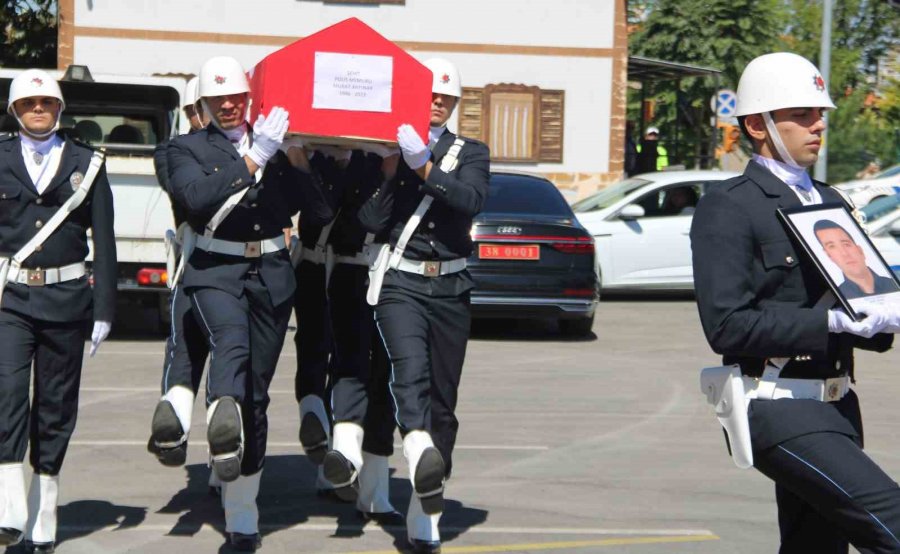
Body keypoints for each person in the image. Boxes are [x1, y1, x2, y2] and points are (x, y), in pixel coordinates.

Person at [691, 52, 900, 553]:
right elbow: (729, 326)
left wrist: (881, 313)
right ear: (757, 125)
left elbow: (864, 310)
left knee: (816, 548)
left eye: (820, 113)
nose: (817, 124)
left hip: (839, 404)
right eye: (801, 114)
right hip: (777, 404)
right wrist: (834, 323)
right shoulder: (730, 205)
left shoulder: (830, 201)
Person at [166, 56, 332, 551]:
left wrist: (297, 157)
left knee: (256, 395)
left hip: (272, 277)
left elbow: (321, 211)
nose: (231, 106)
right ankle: (224, 435)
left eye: (237, 97)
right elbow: (194, 199)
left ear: (250, 97)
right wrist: (253, 159)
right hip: (216, 270)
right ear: (207, 104)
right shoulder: (186, 148)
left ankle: (243, 509)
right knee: (231, 357)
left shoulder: (278, 143)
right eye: (220, 100)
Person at [357, 57, 489, 553]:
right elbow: (369, 219)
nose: (438, 105)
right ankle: (414, 442)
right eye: (432, 96)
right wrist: (393, 170)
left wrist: (424, 166)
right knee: (406, 371)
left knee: (444, 402)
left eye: (446, 99)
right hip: (400, 281)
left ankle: (425, 501)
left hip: (451, 287)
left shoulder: (471, 152)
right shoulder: (391, 146)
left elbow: (469, 200)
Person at [0, 69, 116, 553]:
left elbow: (105, 240)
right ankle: (8, 507)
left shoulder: (87, 162)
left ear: (60, 108)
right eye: (29, 104)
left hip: (68, 302)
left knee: (55, 407)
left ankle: (45, 504)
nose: (38, 110)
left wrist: (105, 309)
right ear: (15, 111)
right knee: (6, 395)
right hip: (10, 300)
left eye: (46, 102)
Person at [321, 147, 402, 524]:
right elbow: (367, 217)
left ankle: (374, 492)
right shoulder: (343, 160)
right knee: (349, 368)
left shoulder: (412, 160)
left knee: (385, 382)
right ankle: (342, 460)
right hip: (351, 274)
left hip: (395, 279)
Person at [147, 74, 215, 475]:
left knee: (230, 372)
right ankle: (175, 430)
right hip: (192, 261)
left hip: (239, 268)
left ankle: (221, 456)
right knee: (184, 349)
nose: (198, 116)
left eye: (200, 108)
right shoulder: (173, 151)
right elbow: (189, 195)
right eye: (192, 110)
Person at [812, 219, 899, 299]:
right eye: (832, 247)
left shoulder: (894, 284)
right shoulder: (837, 298)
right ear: (829, 256)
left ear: (860, 250)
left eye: (846, 244)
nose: (844, 253)